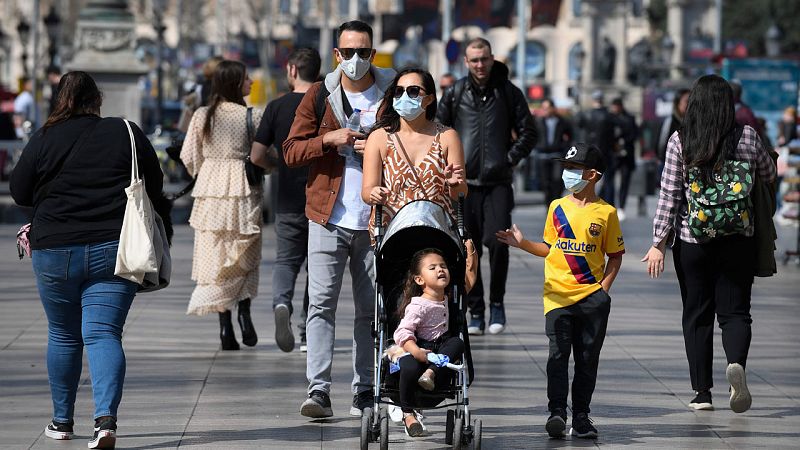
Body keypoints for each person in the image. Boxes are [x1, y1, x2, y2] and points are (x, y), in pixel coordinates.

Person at [9, 71, 172, 449]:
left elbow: (19, 191)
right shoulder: (126, 132)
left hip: (55, 249)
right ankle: (105, 424)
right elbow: (156, 184)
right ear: (97, 101)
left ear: (59, 100)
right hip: (115, 249)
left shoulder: (45, 137)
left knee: (64, 334)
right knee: (103, 334)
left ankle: (61, 422)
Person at [642, 74, 776, 413]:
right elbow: (769, 176)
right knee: (735, 312)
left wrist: (659, 241)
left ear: (694, 104)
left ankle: (702, 393)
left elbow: (669, 194)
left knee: (697, 314)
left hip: (693, 241)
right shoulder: (747, 136)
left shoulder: (680, 140)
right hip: (738, 238)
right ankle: (736, 364)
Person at [283, 20, 396, 419]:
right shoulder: (318, 95)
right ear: (336, 55)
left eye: (363, 52)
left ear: (373, 53)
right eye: (348, 52)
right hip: (326, 216)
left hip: (377, 220)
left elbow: (411, 146)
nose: (355, 60)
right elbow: (291, 150)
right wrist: (328, 140)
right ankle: (319, 389)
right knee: (320, 305)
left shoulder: (393, 94)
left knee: (371, 309)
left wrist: (379, 150)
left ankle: (365, 389)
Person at [496, 143, 624, 440]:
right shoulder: (557, 207)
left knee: (586, 360)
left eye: (573, 169)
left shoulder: (606, 213)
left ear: (592, 175)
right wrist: (523, 243)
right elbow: (549, 248)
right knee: (557, 356)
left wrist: (602, 291)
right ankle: (556, 412)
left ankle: (581, 417)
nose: (567, 174)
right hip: (556, 297)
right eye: (566, 168)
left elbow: (615, 255)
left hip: (592, 299)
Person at [436, 37, 537, 336]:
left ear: (492, 58)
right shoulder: (454, 93)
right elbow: (439, 132)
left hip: (497, 183)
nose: (480, 65)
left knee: (498, 243)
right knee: (469, 247)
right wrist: (447, 167)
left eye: (484, 59)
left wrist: (508, 159)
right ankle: (476, 310)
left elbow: (529, 132)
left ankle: (497, 304)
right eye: (474, 60)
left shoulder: (508, 92)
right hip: (464, 185)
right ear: (465, 62)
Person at [181, 60, 263, 350]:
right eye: (246, 78)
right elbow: (263, 155)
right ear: (235, 84)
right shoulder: (251, 116)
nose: (251, 82)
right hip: (243, 190)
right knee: (244, 254)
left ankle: (225, 327)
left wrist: (207, 171)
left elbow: (189, 157)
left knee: (216, 258)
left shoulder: (202, 115)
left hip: (210, 194)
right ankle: (244, 313)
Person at [251, 48, 321, 353]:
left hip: (287, 198)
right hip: (322, 198)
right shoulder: (327, 106)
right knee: (317, 267)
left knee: (286, 261)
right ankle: (308, 331)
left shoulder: (276, 107)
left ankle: (282, 303)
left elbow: (256, 155)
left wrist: (275, 167)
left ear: (292, 70)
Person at [361, 66, 467, 235]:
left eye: (413, 91)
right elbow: (367, 192)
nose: (404, 96)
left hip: (437, 234)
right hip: (392, 237)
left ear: (430, 98)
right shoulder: (379, 138)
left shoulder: (447, 137)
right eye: (398, 91)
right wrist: (373, 193)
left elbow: (461, 194)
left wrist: (455, 184)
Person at [392, 248, 465, 437]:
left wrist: (471, 254)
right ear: (419, 280)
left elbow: (470, 279)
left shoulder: (450, 298)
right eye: (432, 268)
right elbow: (402, 332)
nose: (440, 270)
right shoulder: (418, 305)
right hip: (417, 348)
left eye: (443, 266)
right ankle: (407, 413)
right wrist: (416, 351)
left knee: (457, 342)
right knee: (407, 365)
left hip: (440, 350)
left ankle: (431, 373)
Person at [576, 90, 616, 205]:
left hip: (590, 152)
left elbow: (578, 125)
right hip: (605, 152)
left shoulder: (586, 114)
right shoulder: (608, 116)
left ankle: (588, 201)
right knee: (607, 181)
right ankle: (607, 203)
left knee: (588, 178)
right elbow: (612, 135)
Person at [534, 98, 574, 206]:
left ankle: (557, 203)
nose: (545, 110)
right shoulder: (538, 121)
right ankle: (549, 207)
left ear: (553, 108)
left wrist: (564, 147)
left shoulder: (562, 121)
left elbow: (571, 136)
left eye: (548, 108)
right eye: (544, 108)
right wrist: (537, 146)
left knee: (557, 181)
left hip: (557, 155)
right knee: (546, 184)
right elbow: (532, 136)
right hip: (543, 155)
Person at [609, 97, 639, 221]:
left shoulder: (630, 118)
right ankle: (610, 205)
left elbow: (635, 134)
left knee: (624, 181)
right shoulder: (609, 118)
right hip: (613, 155)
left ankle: (621, 206)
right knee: (609, 181)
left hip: (626, 154)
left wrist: (623, 141)